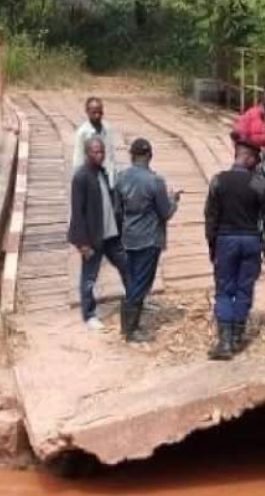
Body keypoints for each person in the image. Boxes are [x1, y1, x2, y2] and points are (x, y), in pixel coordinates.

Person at [204, 140, 265, 360]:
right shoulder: (258, 183)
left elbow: (210, 217)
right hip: (251, 240)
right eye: (256, 159)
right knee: (244, 289)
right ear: (247, 158)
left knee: (225, 289)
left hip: (226, 240)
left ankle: (224, 342)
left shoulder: (219, 181)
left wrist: (212, 245)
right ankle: (237, 337)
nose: (257, 163)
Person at [116, 138, 180, 343]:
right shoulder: (155, 181)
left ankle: (127, 324)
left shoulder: (121, 178)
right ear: (150, 156)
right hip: (149, 239)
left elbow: (117, 211)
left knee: (133, 279)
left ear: (131, 156)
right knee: (142, 283)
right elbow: (165, 213)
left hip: (128, 237)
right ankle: (131, 329)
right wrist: (174, 200)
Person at [68, 136, 129, 331]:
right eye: (95, 151)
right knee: (89, 278)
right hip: (93, 238)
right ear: (87, 153)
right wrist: (82, 243)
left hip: (111, 234)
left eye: (102, 151)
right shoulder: (81, 177)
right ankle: (89, 314)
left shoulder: (101, 173)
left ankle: (133, 301)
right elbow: (77, 213)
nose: (100, 155)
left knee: (126, 265)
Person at [72, 97, 118, 186]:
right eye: (94, 113)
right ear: (87, 112)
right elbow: (78, 159)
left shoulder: (107, 129)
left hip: (107, 174)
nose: (97, 115)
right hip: (90, 177)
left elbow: (111, 155)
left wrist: (113, 176)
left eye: (100, 112)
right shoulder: (83, 133)